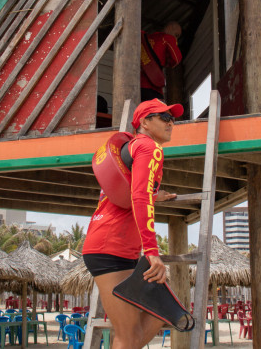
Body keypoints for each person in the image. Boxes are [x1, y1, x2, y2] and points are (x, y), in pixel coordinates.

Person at [82, 98, 183, 349]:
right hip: (111, 247)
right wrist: (151, 252)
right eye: (164, 117)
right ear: (145, 122)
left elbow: (128, 190)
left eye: (173, 118)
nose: (171, 123)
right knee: (128, 337)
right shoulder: (150, 148)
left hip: (111, 245)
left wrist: (154, 194)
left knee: (161, 314)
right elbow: (138, 197)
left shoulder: (132, 147)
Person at [140, 22, 183, 101]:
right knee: (160, 111)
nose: (176, 39)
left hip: (136, 84)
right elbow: (176, 59)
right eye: (176, 35)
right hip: (153, 84)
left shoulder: (143, 39)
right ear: (169, 28)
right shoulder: (167, 38)